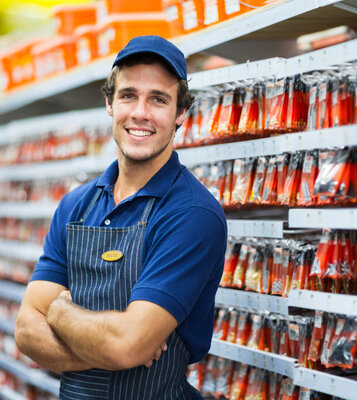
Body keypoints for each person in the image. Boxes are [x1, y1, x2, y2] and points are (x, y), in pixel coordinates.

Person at [14, 35, 227, 400]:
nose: (140, 112)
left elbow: (127, 346)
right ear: (110, 103)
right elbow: (26, 332)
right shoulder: (75, 206)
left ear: (180, 114)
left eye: (158, 99)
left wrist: (61, 311)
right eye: (128, 95)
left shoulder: (191, 214)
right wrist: (105, 350)